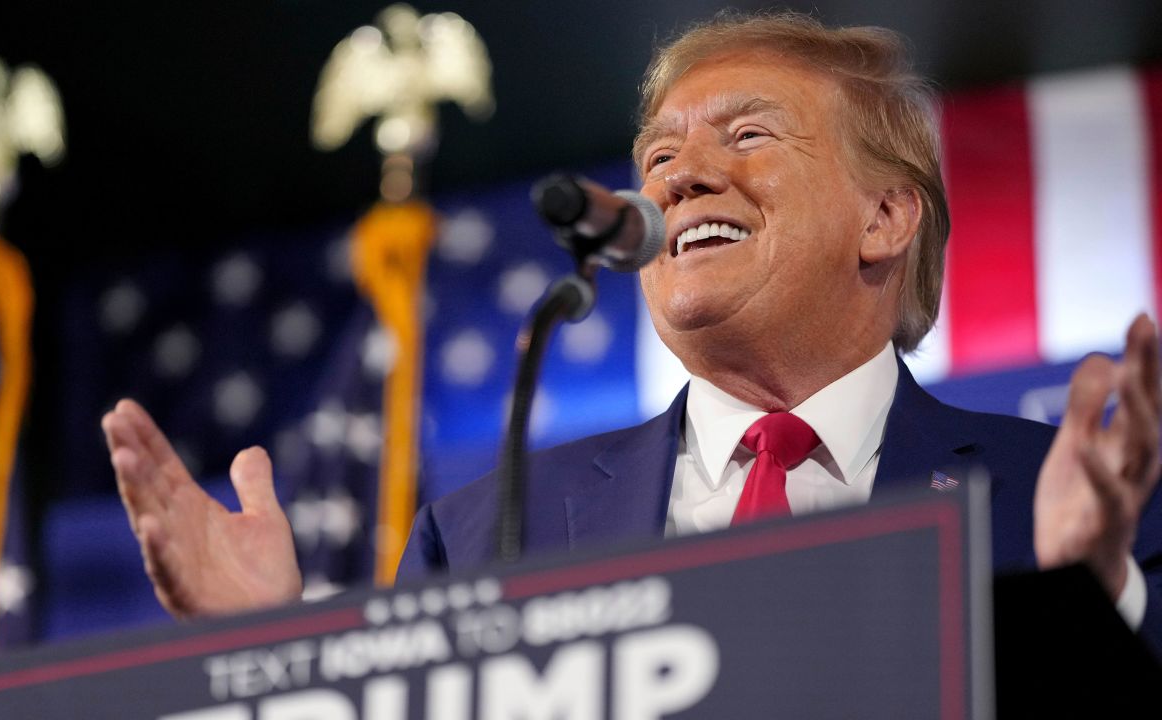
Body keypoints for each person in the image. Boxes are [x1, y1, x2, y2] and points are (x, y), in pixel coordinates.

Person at [101, 11, 1162, 652]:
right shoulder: (482, 534)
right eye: (656, 159)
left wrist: (1089, 599)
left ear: (883, 217)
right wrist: (265, 654)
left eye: (747, 134)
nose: (679, 176)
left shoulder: (1068, 498)